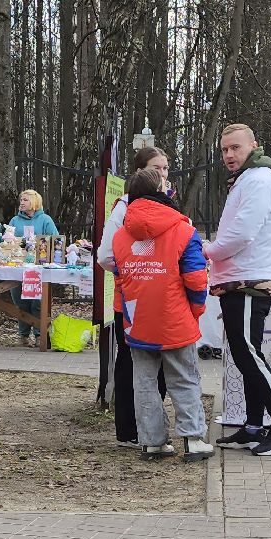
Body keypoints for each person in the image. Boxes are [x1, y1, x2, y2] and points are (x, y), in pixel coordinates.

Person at [113, 166, 214, 462]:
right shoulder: (184, 231)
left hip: (138, 319)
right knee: (184, 378)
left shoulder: (121, 236)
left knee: (143, 381)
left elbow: (120, 278)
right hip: (175, 319)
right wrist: (195, 310)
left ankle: (153, 441)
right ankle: (193, 439)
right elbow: (196, 279)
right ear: (161, 191)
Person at [205, 123, 271, 457]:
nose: (229, 155)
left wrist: (207, 251)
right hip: (238, 279)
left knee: (248, 354)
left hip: (247, 281)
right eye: (225, 149)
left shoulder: (258, 180)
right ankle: (255, 426)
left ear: (253, 145)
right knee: (247, 353)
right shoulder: (248, 178)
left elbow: (242, 234)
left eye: (236, 148)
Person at [101, 146, 173, 447]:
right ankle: (129, 430)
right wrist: (136, 271)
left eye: (167, 168)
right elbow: (106, 255)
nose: (164, 175)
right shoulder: (123, 208)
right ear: (141, 172)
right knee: (131, 362)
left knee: (161, 361)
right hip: (130, 298)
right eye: (158, 169)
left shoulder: (167, 205)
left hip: (159, 299)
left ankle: (152, 426)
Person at [7, 190, 60, 342]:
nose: (21, 202)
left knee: (37, 302)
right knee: (20, 301)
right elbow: (7, 240)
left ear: (34, 202)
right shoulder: (14, 221)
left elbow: (55, 241)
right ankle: (23, 336)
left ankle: (39, 335)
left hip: (39, 268)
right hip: (17, 266)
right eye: (21, 200)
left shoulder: (45, 220)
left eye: (25, 200)